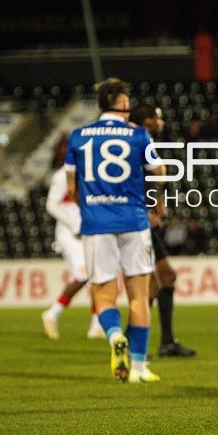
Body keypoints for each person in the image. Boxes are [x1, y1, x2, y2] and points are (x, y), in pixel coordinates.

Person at [64, 77, 164, 383]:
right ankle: (139, 367)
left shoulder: (78, 136)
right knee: (138, 294)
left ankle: (114, 337)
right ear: (123, 104)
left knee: (104, 295)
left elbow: (71, 186)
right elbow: (159, 174)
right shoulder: (139, 135)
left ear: (99, 105)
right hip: (133, 221)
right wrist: (151, 200)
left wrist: (91, 205)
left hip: (97, 224)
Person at [128, 103, 196, 357]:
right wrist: (144, 210)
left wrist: (154, 199)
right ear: (147, 120)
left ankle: (157, 341)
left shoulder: (137, 141)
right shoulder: (136, 142)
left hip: (142, 218)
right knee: (158, 280)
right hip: (136, 221)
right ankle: (136, 340)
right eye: (157, 118)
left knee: (162, 280)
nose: (161, 122)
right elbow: (129, 180)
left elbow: (146, 179)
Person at [41, 158, 105, 340]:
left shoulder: (90, 173)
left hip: (88, 230)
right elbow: (51, 205)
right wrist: (73, 225)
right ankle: (52, 313)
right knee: (83, 274)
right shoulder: (62, 176)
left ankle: (96, 326)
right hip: (70, 233)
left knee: (96, 276)